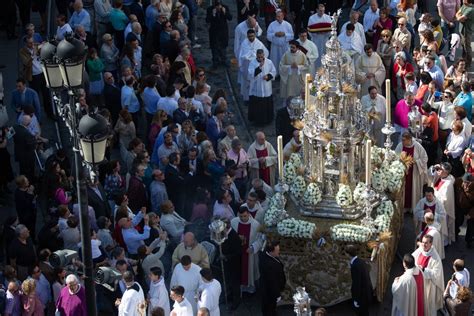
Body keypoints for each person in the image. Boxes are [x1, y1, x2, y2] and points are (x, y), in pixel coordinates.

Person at [231, 206, 262, 294]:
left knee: (249, 271)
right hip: (237, 253)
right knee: (238, 271)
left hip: (249, 253)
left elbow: (260, 239)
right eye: (241, 216)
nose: (243, 218)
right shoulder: (234, 222)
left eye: (245, 216)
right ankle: (239, 289)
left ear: (248, 214)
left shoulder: (256, 225)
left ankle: (250, 289)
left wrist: (253, 247)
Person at [395, 132, 428, 212]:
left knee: (413, 190)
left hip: (414, 173)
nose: (402, 142)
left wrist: (416, 161)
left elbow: (425, 158)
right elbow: (395, 156)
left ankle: (412, 208)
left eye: (404, 140)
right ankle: (403, 208)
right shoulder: (400, 145)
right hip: (403, 172)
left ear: (409, 139)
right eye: (402, 140)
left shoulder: (417, 146)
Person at [412, 235, 445, 315]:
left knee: (428, 306)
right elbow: (412, 258)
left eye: (426, 243)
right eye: (423, 242)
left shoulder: (435, 257)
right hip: (416, 281)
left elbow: (437, 274)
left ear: (431, 244)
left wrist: (423, 270)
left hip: (428, 285)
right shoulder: (420, 249)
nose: (423, 245)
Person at [428, 162, 456, 245]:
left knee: (441, 228)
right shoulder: (441, 176)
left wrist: (434, 196)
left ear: (446, 172)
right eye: (439, 169)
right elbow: (430, 176)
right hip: (434, 204)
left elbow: (445, 199)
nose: (438, 171)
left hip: (442, 209)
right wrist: (434, 168)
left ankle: (443, 243)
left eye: (441, 169)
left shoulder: (448, 183)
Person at [238, 29, 268, 104]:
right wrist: (241, 65)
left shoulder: (259, 44)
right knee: (246, 82)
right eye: (249, 36)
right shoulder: (244, 43)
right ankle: (247, 98)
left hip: (256, 65)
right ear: (247, 36)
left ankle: (256, 97)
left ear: (255, 35)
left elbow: (266, 53)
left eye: (252, 36)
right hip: (246, 65)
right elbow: (241, 55)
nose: (251, 38)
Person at [248, 49, 276, 125]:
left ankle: (268, 119)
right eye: (259, 57)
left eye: (261, 57)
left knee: (267, 103)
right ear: (256, 56)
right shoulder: (253, 63)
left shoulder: (269, 62)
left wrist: (268, 76)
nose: (260, 59)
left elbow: (273, 71)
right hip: (257, 87)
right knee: (258, 106)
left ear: (264, 55)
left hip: (266, 87)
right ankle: (258, 121)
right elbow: (250, 74)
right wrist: (259, 68)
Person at [259, 240, 285, 316]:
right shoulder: (270, 266)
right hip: (270, 293)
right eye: (277, 251)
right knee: (270, 309)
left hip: (266, 290)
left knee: (268, 308)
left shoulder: (264, 254)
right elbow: (273, 282)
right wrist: (277, 295)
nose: (278, 252)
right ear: (271, 252)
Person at [345, 245, 373, 315]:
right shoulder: (361, 261)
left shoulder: (354, 266)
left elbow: (357, 283)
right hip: (366, 293)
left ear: (348, 254)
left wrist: (356, 300)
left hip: (361, 297)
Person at [206, 0, 232, 68]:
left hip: (223, 31)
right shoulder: (210, 9)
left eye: (219, 5)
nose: (218, 7)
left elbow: (230, 18)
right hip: (214, 32)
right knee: (214, 47)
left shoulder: (225, 8)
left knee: (223, 47)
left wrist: (225, 12)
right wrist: (213, 14)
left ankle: (224, 60)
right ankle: (215, 61)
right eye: (217, 6)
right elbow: (207, 20)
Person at [267, 10, 294, 76]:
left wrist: (284, 34)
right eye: (277, 16)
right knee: (275, 61)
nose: (278, 18)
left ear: (283, 16)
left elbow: (292, 35)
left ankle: (284, 74)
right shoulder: (272, 24)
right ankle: (275, 74)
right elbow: (268, 36)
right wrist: (274, 34)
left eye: (279, 16)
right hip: (275, 46)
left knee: (284, 60)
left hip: (284, 46)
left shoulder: (288, 25)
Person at [456, 0, 474, 69]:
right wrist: (459, 17)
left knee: (467, 48)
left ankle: (468, 64)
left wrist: (459, 17)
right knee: (463, 46)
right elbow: (457, 14)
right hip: (462, 31)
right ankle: (463, 60)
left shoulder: (471, 10)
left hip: (467, 32)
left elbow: (459, 18)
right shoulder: (464, 5)